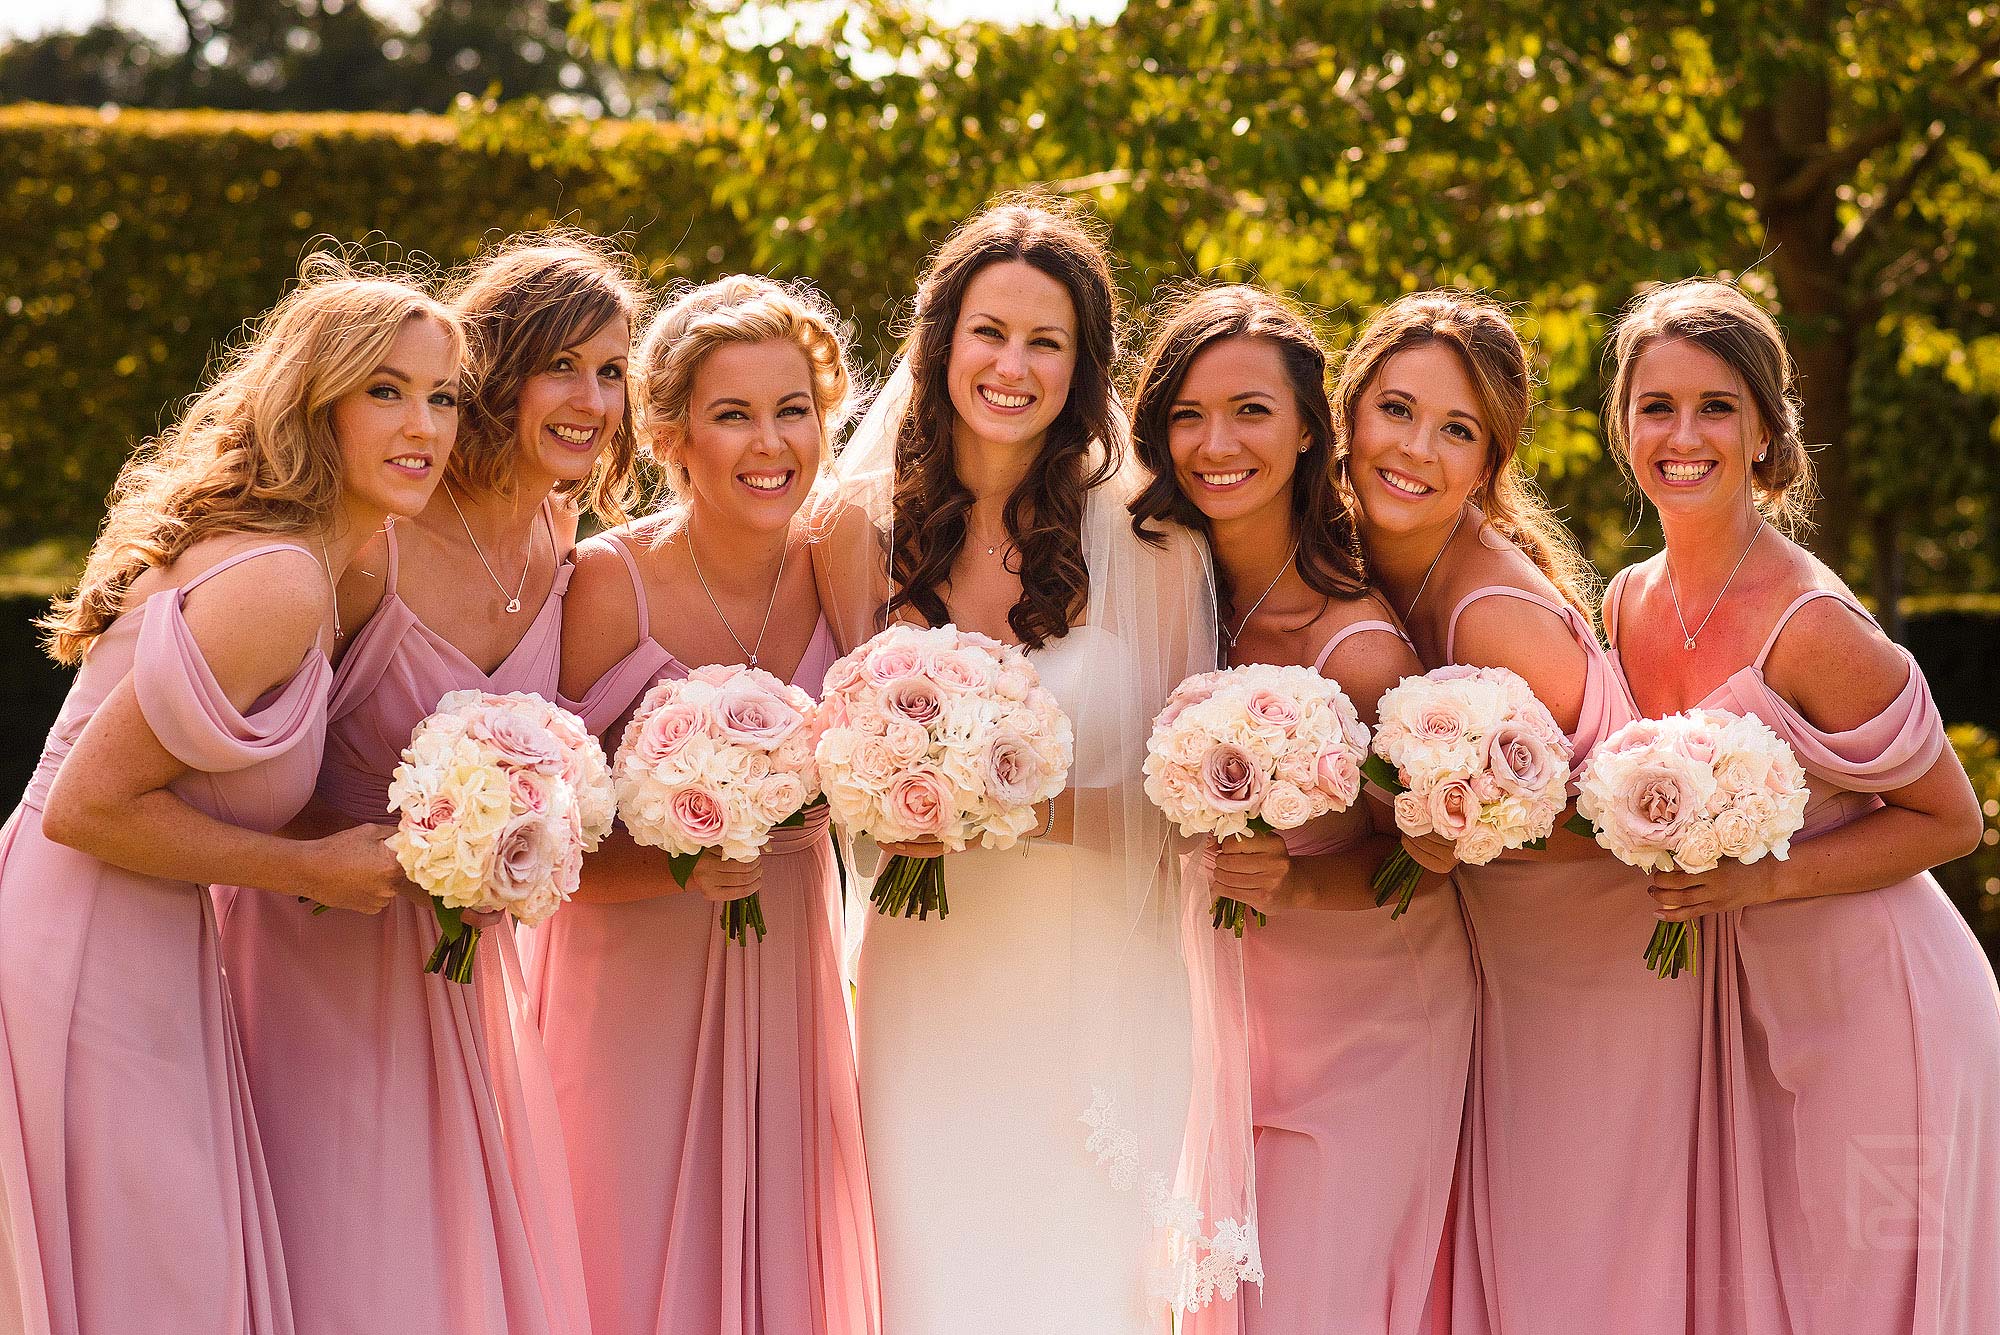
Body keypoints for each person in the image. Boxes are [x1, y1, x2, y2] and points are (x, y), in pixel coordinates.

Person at [2, 257, 461, 1335]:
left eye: (441, 395)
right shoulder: (277, 580)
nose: (424, 424)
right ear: (315, 405)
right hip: (78, 958)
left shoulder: (341, 561)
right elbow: (84, 807)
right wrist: (307, 870)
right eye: (384, 390)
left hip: (146, 950)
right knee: (143, 1285)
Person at [216, 231, 641, 1335]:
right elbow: (247, 764)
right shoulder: (375, 540)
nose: (593, 400)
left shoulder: (564, 534)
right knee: (352, 1255)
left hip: (470, 968)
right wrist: (374, 843)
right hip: (322, 943)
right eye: (565, 366)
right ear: (495, 374)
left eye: (611, 370)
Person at [822, 196, 1220, 1333]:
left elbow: (1184, 796)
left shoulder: (1146, 528)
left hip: (1093, 973)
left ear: (1082, 366)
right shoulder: (857, 527)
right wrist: (881, 791)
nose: (1012, 364)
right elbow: (816, 740)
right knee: (926, 1254)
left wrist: (994, 807)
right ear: (940, 341)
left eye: (1045, 342)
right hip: (923, 968)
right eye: (989, 332)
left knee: (1083, 1269)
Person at [1602, 277, 2000, 1333]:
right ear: (1621, 426)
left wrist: (1750, 879)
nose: (1681, 434)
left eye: (1716, 406)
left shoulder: (1812, 624)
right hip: (1746, 1011)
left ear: (1766, 436)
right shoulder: (1624, 599)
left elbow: (1947, 821)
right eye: (1655, 406)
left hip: (1885, 1013)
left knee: (1874, 1298)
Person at [1336, 288, 1701, 1331]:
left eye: (1457, 431)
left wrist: (1454, 829)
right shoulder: (1362, 561)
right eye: (1395, 410)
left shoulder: (1494, 612)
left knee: (1569, 1260)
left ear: (1489, 464)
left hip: (1592, 965)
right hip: (1493, 960)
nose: (1414, 448)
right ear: (1349, 413)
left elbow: (1606, 832)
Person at [531, 273, 879, 1335]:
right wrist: (673, 863)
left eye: (793, 410)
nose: (770, 444)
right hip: (629, 982)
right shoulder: (605, 583)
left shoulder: (841, 562)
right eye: (733, 415)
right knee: (623, 1262)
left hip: (786, 971)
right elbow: (539, 845)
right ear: (673, 434)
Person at [1128, 283, 1473, 1334]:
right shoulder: (1172, 601)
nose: (1213, 442)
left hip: (1369, 1040)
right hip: (1232, 1040)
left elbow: (1431, 858)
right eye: (1186, 415)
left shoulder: (1355, 646)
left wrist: (1295, 877)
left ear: (1308, 431)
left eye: (1249, 411)